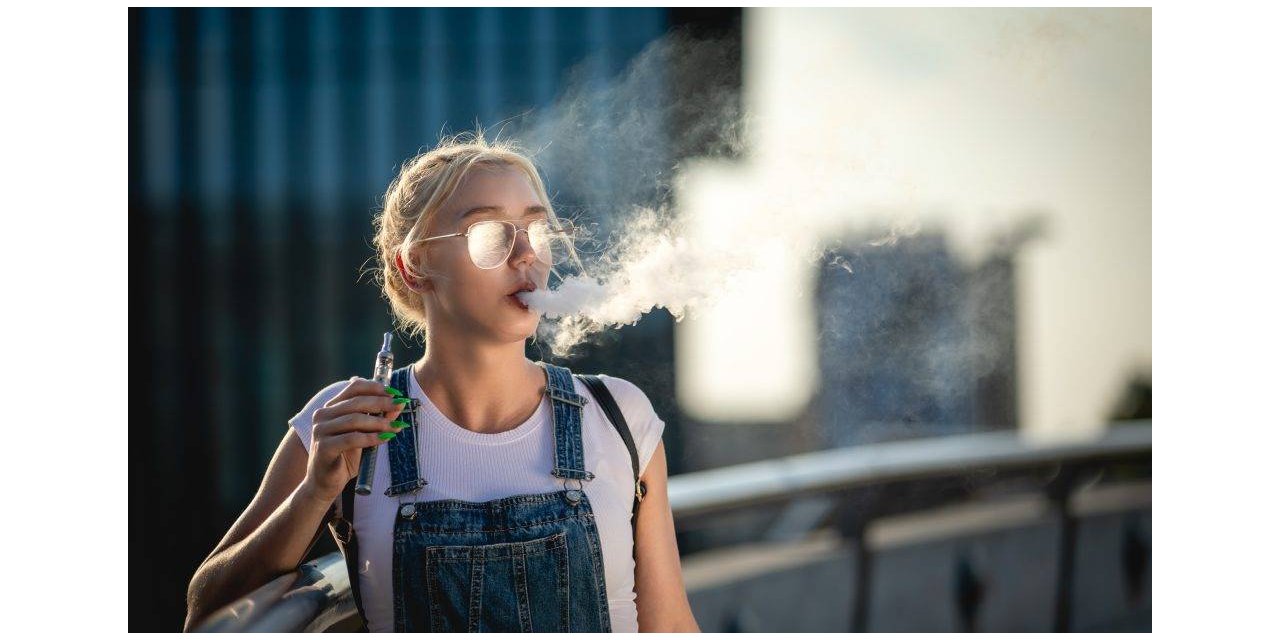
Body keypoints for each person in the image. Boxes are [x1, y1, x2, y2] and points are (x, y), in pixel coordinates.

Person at [184, 132, 700, 632]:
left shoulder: (617, 416)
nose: (527, 255)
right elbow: (206, 612)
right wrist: (316, 493)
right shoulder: (349, 422)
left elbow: (671, 626)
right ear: (414, 267)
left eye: (537, 230)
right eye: (491, 235)